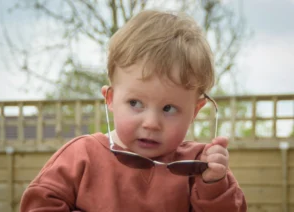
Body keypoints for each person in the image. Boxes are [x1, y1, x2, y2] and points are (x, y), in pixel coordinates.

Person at [20, 10, 247, 212]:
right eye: (135, 103)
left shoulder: (199, 167)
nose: (151, 123)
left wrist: (213, 186)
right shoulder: (80, 157)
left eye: (169, 108)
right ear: (110, 98)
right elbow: (39, 203)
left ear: (195, 112)